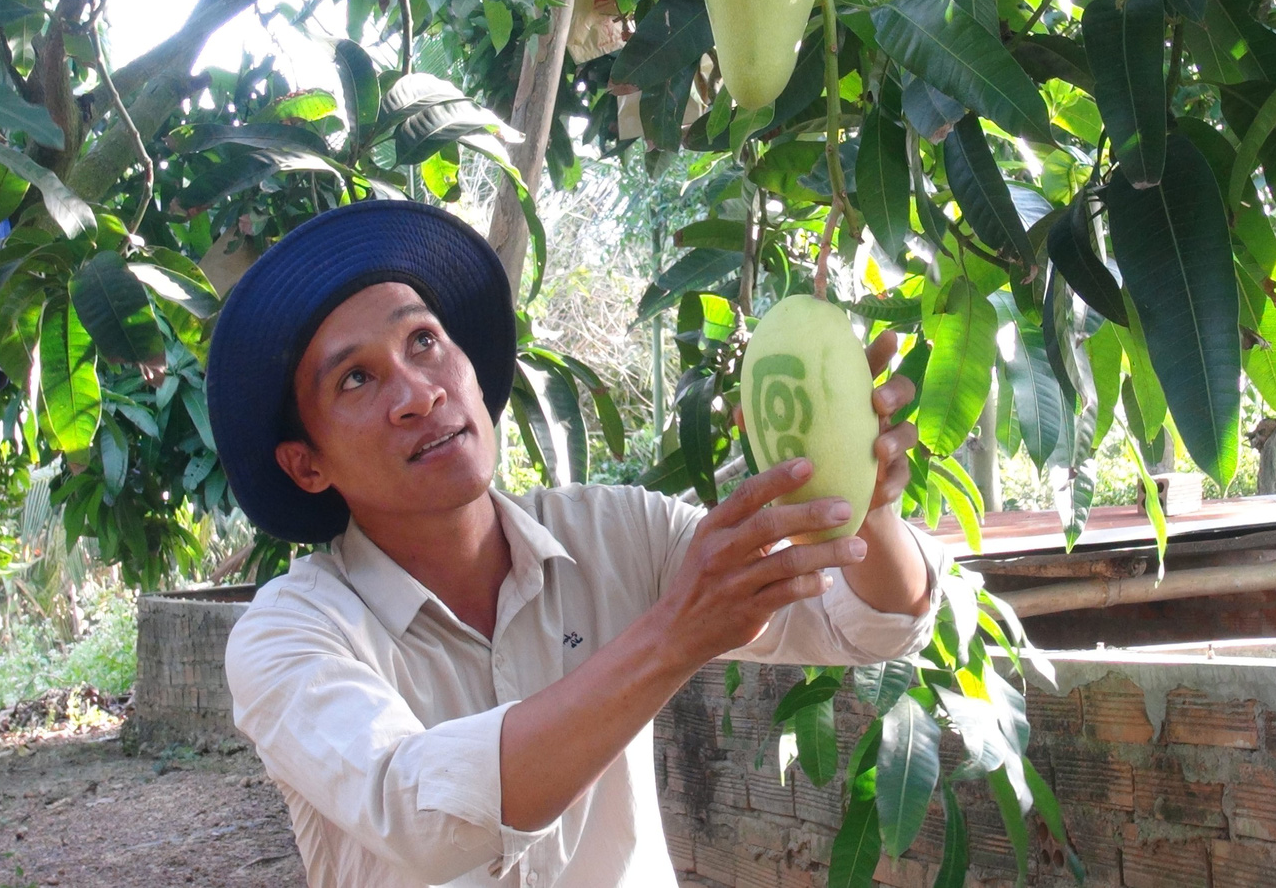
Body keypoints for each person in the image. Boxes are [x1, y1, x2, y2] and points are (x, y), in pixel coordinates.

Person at [207, 200, 949, 887]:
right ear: (307, 464)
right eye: (358, 378)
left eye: (424, 340)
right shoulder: (289, 635)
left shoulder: (620, 535)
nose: (419, 393)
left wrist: (867, 500)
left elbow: (867, 622)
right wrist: (671, 637)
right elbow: (422, 814)